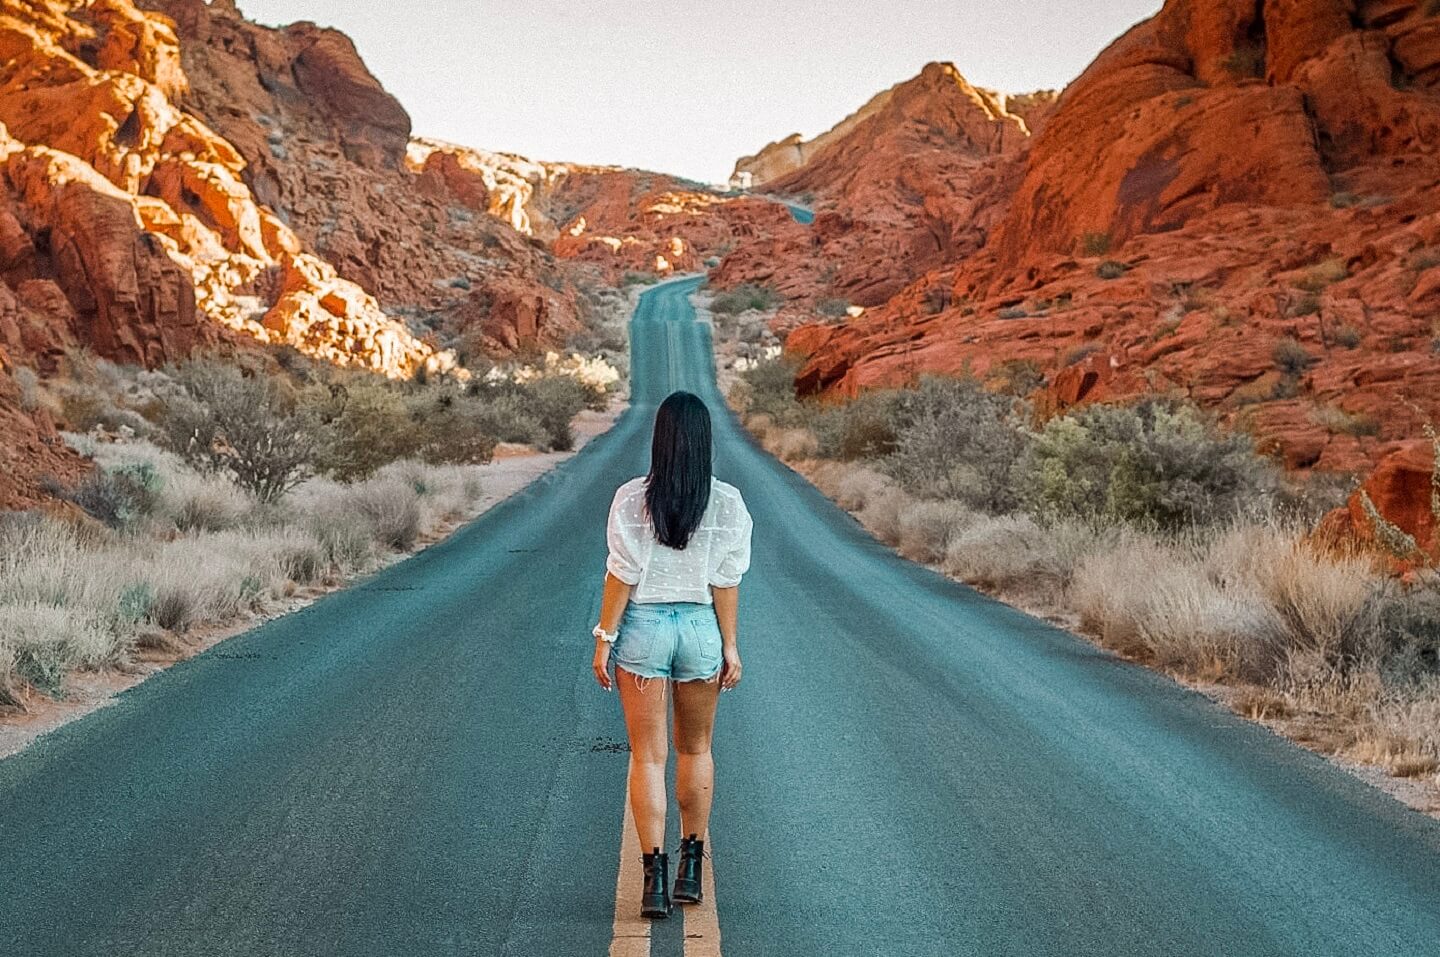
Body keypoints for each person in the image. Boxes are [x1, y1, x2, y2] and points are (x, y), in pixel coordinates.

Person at [590, 390, 753, 920]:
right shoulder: (727, 502)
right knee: (696, 750)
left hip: (645, 630)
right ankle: (691, 870)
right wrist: (730, 645)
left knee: (648, 756)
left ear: (659, 438)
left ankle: (653, 881)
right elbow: (725, 582)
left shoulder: (631, 498)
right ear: (706, 441)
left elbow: (622, 573)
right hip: (701, 628)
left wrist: (604, 637)